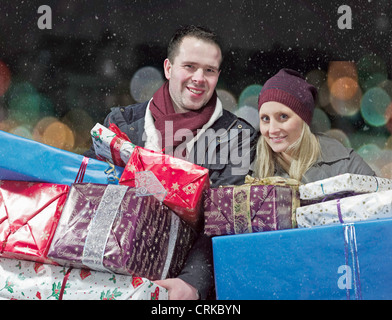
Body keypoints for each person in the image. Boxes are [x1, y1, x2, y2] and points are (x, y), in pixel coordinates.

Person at [84, 25, 258, 299]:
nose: (199, 78)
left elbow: (223, 221)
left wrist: (192, 282)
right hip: (115, 275)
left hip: (183, 284)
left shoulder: (237, 138)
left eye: (209, 70)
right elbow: (93, 195)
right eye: (189, 66)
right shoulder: (121, 124)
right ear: (168, 68)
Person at [253, 68, 375, 183]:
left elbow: (381, 201)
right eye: (265, 119)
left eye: (283, 116)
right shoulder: (250, 169)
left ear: (304, 120)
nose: (272, 129)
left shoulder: (345, 164)